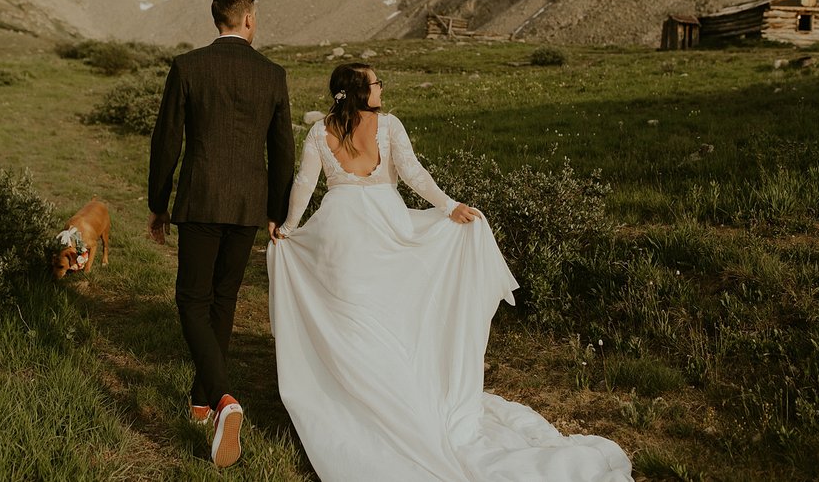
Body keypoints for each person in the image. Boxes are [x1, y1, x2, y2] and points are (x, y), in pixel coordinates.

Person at [266, 63, 632, 481]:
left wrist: (290, 228)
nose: (382, 87)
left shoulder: (320, 132)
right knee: (391, 317)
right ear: (360, 91)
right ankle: (401, 399)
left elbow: (303, 185)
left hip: (340, 233)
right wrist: (448, 206)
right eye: (376, 82)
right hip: (387, 228)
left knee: (354, 322)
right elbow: (414, 173)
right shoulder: (388, 126)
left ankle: (361, 399)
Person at [148, 0, 294, 468]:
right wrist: (277, 210)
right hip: (249, 204)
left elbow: (166, 140)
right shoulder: (272, 75)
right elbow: (282, 151)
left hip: (200, 198)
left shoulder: (188, 67)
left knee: (191, 300)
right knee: (223, 299)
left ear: (219, 21)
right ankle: (201, 400)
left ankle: (224, 399)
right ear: (248, 19)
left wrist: (158, 202)